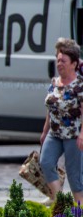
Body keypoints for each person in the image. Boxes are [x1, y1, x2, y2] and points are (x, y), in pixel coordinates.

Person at [39, 37, 83, 204]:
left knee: (74, 177)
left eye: (63, 61)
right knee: (46, 162)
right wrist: (44, 132)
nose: (59, 64)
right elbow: (50, 108)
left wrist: (82, 135)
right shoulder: (54, 83)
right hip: (55, 133)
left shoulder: (79, 86)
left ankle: (79, 215)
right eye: (58, 60)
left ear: (73, 64)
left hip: (74, 135)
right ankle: (59, 200)